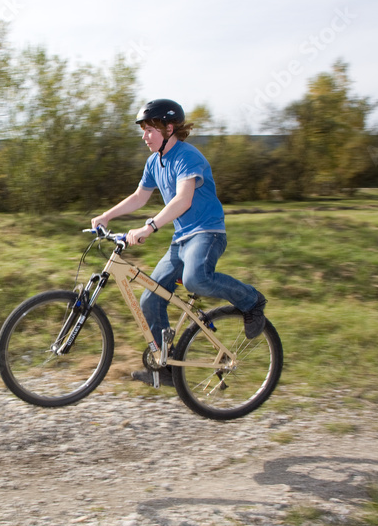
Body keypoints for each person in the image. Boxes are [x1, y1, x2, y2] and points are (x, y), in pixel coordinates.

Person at [90, 98, 267, 387]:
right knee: (150, 299)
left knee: (196, 278)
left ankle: (252, 300)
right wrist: (106, 216)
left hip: (207, 233)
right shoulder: (153, 161)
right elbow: (139, 197)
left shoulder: (188, 157)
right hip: (181, 240)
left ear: (169, 128)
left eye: (149, 129)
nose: (144, 136)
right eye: (143, 130)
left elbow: (183, 199)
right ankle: (166, 368)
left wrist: (150, 226)